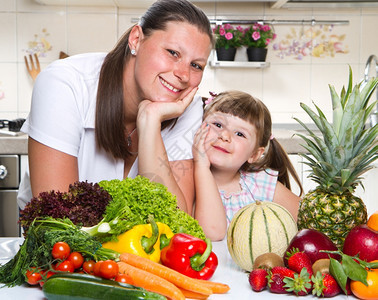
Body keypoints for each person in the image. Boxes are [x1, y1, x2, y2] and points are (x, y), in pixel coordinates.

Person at [17, 0, 214, 216]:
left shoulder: (187, 105)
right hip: (57, 244)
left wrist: (150, 122)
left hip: (134, 248)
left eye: (196, 65)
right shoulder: (64, 82)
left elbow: (175, 222)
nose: (184, 75)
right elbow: (58, 219)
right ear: (136, 40)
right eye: (173, 53)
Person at [193, 90, 303, 241]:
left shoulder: (261, 184)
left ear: (254, 154)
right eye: (218, 124)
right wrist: (201, 166)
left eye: (240, 134)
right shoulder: (185, 180)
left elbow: (308, 219)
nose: (224, 136)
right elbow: (211, 232)